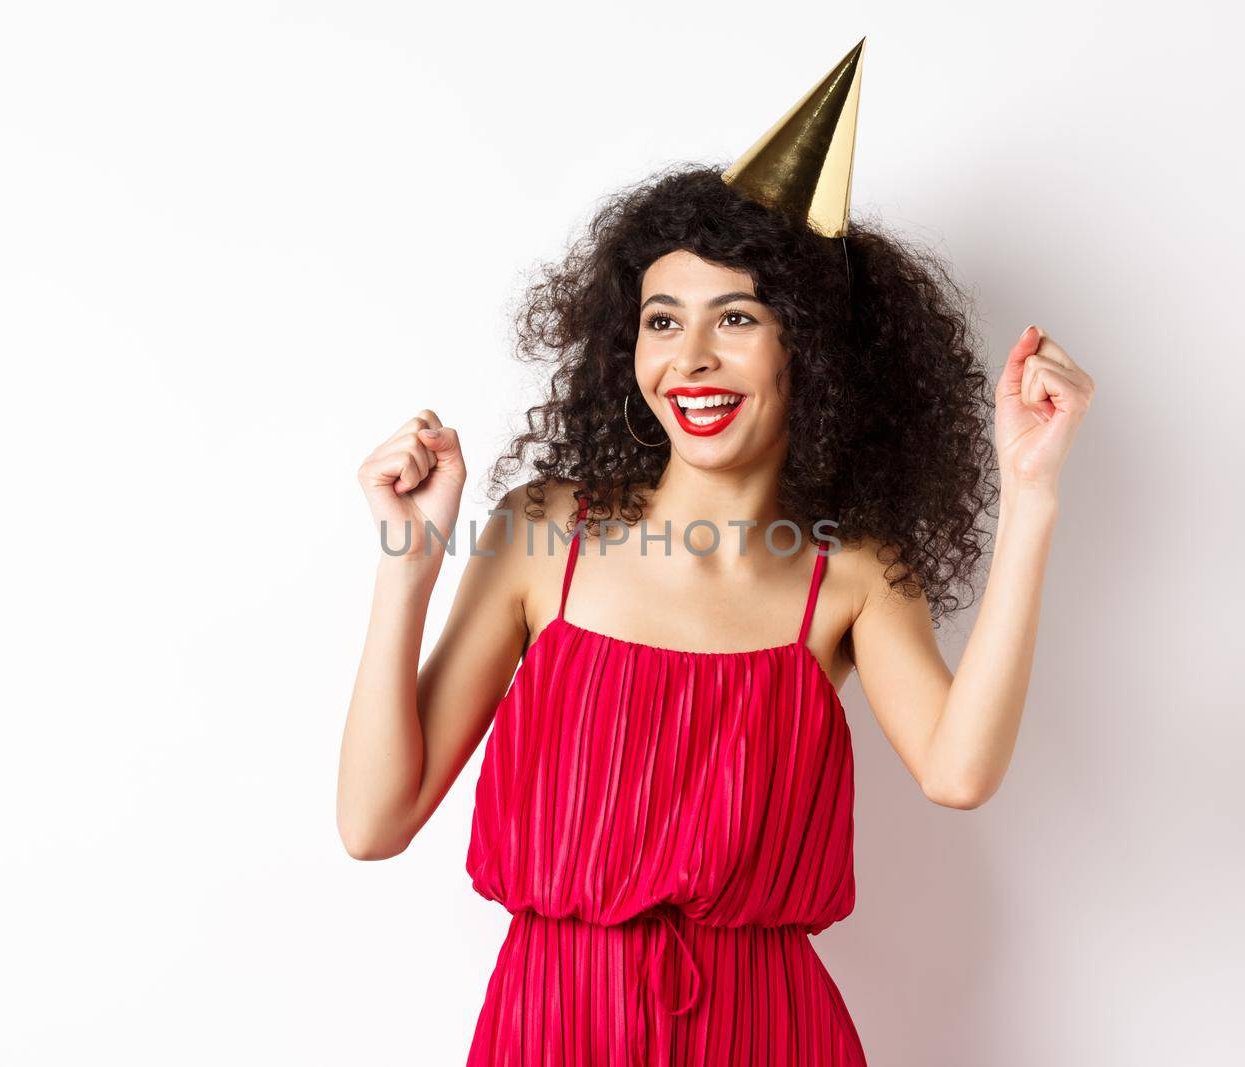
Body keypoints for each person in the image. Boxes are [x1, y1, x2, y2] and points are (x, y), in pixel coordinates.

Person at [336, 39, 1094, 1067]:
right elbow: (373, 821)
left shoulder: (851, 576)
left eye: (735, 317)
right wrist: (408, 564)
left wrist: (1032, 494)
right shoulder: (542, 533)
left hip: (767, 1037)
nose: (689, 357)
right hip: (553, 1031)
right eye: (662, 320)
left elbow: (959, 771)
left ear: (809, 347)